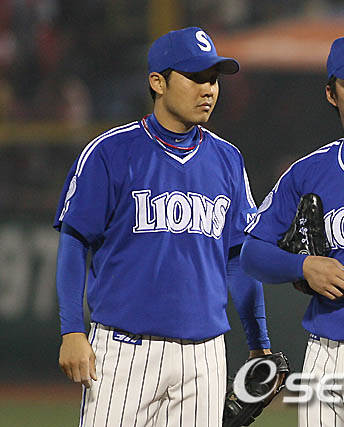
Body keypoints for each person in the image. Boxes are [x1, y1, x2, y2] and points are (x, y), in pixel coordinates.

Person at [54, 27, 271, 427]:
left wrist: (260, 344)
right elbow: (74, 242)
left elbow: (238, 258)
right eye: (195, 77)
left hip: (205, 355)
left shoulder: (228, 159)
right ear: (158, 82)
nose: (208, 89)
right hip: (125, 350)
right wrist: (71, 330)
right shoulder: (111, 152)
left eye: (213, 79)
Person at [241, 30, 344, 427]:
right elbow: (252, 252)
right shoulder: (308, 172)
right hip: (326, 354)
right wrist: (303, 266)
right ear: (331, 94)